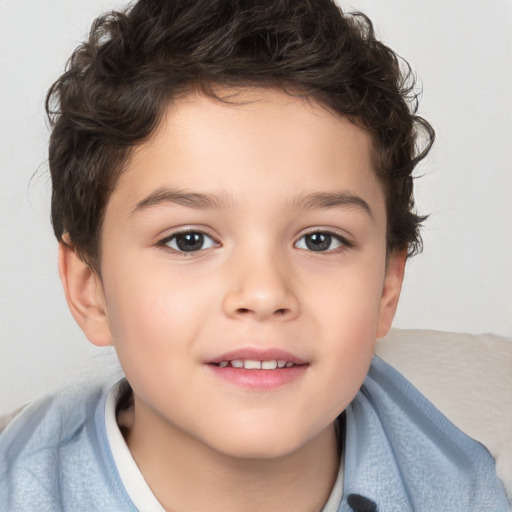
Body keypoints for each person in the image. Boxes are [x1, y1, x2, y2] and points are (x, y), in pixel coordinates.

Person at [0, 0, 509, 510]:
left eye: (320, 239)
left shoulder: (464, 491)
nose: (264, 294)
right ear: (91, 291)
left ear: (386, 287)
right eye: (189, 240)